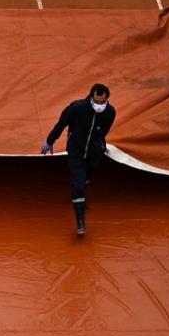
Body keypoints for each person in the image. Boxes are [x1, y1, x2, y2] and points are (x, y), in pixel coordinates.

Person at [41, 83, 116, 235]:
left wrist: (100, 145)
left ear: (107, 99)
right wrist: (50, 141)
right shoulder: (76, 108)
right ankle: (81, 223)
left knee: (88, 175)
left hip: (94, 152)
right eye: (97, 102)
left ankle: (80, 194)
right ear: (91, 97)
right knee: (78, 183)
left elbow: (104, 131)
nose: (99, 105)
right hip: (76, 151)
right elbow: (61, 124)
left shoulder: (110, 112)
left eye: (102, 102)